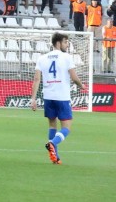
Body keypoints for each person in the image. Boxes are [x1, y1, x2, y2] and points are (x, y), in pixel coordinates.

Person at [30, 32, 86, 165]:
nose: (67, 45)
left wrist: (33, 99)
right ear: (58, 43)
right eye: (66, 42)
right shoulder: (66, 57)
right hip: (62, 96)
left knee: (52, 125)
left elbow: (37, 79)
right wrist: (81, 85)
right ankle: (52, 143)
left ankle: (55, 157)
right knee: (66, 127)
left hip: (48, 96)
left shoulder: (42, 58)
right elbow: (73, 77)